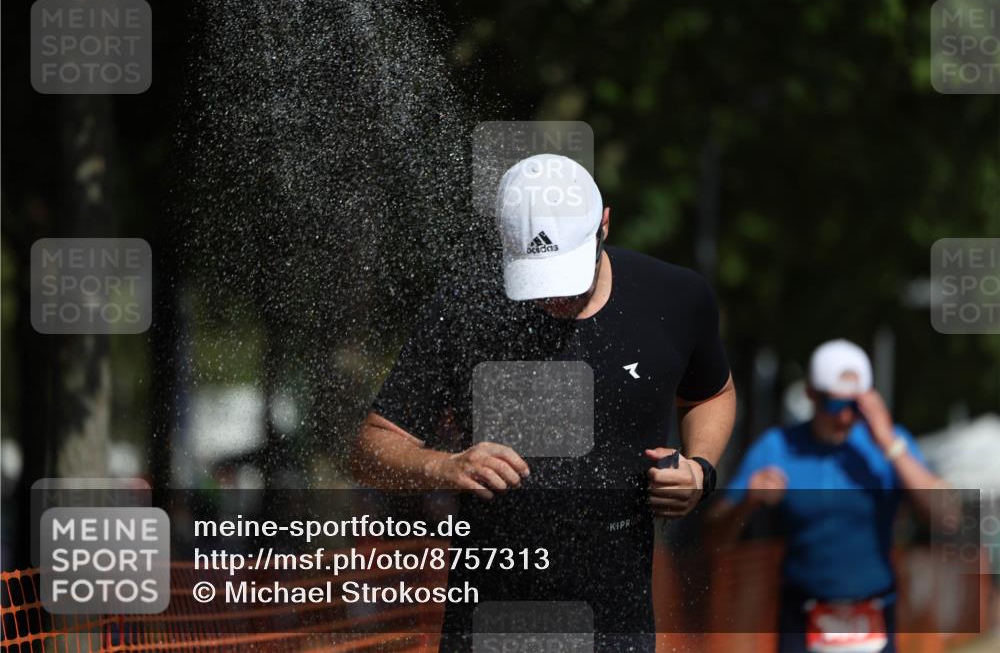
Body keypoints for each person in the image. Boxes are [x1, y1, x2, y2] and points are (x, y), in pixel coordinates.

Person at [351, 153, 736, 651]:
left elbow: (712, 393)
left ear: (604, 224)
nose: (553, 300)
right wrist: (445, 466)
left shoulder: (676, 299)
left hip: (616, 626)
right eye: (537, 279)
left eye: (567, 275)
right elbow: (368, 450)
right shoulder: (465, 308)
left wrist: (701, 470)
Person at [707, 339, 945, 653]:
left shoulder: (890, 443)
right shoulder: (777, 447)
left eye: (855, 406)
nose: (845, 417)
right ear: (811, 394)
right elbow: (712, 535)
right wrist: (747, 501)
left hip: (875, 615)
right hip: (802, 617)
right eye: (834, 405)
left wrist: (889, 444)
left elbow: (947, 516)